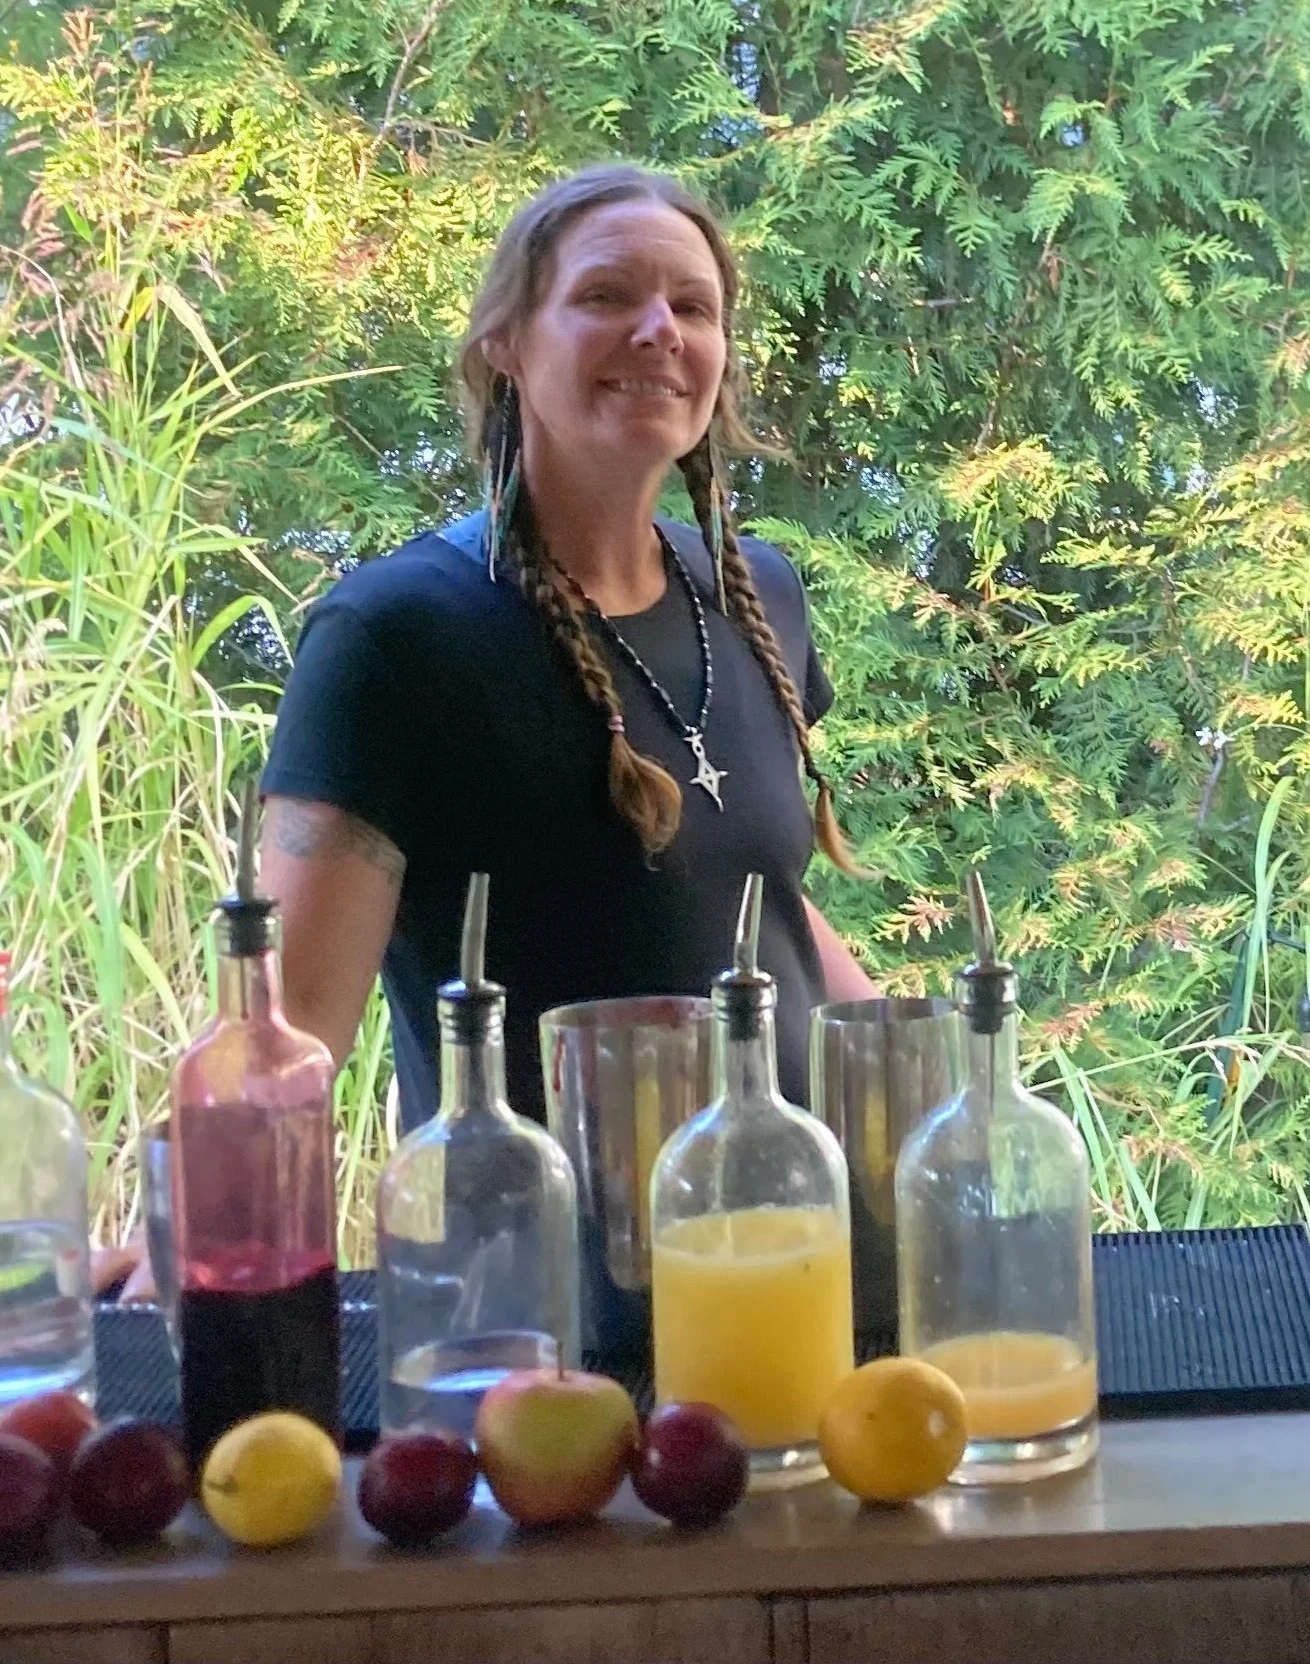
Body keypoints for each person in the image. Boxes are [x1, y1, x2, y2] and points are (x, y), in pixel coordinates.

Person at [255, 162, 880, 1126]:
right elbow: (289, 1027)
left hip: (795, 1246)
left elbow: (757, 905)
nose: (660, 329)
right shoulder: (396, 638)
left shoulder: (762, 596)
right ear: (504, 341)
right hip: (542, 1262)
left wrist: (937, 1087)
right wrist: (192, 1222)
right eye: (605, 295)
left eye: (694, 306)